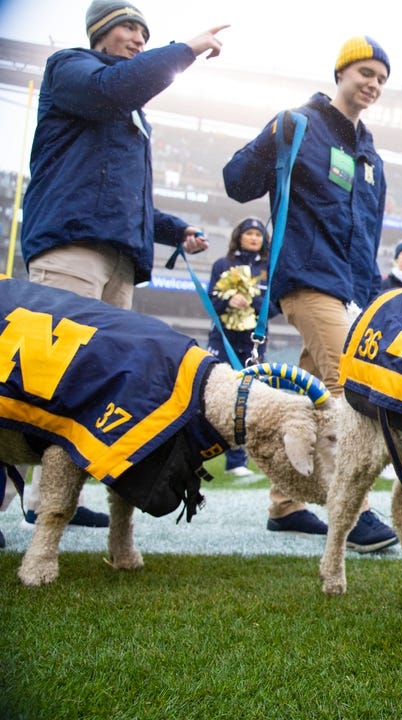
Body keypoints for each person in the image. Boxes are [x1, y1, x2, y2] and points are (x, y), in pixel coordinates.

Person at [17, 1, 225, 528]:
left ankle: (53, 497)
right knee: (36, 380)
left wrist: (175, 230)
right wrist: (185, 49)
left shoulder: (133, 112)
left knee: (91, 383)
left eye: (144, 31)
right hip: (71, 245)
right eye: (130, 28)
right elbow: (114, 88)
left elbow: (127, 196)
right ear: (100, 33)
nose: (138, 37)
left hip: (118, 258)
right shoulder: (71, 68)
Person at [222, 35, 396, 551]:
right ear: (341, 72)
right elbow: (237, 182)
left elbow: (369, 232)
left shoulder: (371, 158)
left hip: (349, 289)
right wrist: (270, 140)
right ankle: (354, 511)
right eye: (366, 72)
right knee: (348, 397)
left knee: (305, 398)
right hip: (307, 276)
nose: (373, 84)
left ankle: (285, 504)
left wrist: (367, 296)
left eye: (382, 79)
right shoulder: (299, 124)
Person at [206, 217, 275, 477]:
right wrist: (228, 301)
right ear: (239, 236)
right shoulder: (222, 265)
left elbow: (276, 306)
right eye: (250, 233)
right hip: (222, 340)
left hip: (254, 343)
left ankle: (240, 461)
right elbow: (211, 299)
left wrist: (251, 301)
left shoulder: (270, 267)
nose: (255, 238)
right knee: (215, 398)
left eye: (259, 234)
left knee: (251, 398)